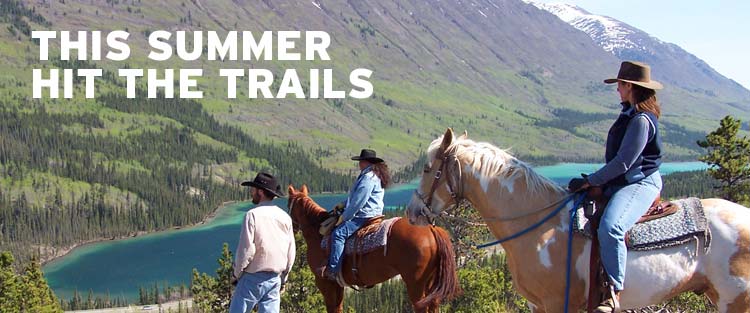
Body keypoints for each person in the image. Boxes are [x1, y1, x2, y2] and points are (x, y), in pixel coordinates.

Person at [568, 61, 664, 313]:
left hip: (641, 182)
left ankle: (613, 293)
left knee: (612, 226)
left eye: (620, 85)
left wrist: (592, 180)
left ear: (630, 86)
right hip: (625, 180)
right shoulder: (629, 115)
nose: (617, 90)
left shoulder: (641, 120)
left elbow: (623, 162)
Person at [318, 149, 391, 281]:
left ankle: (333, 270)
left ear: (365, 162)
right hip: (370, 213)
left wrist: (344, 217)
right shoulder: (372, 175)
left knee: (338, 234)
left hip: (364, 215)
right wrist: (342, 204)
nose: (359, 164)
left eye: (360, 161)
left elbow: (358, 202)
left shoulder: (368, 178)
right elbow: (355, 197)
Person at [229, 172, 295, 313]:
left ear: (260, 192)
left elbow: (246, 251)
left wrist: (236, 274)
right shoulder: (285, 217)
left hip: (252, 278)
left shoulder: (252, 215)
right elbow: (291, 253)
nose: (251, 192)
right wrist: (284, 278)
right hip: (275, 279)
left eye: (253, 189)